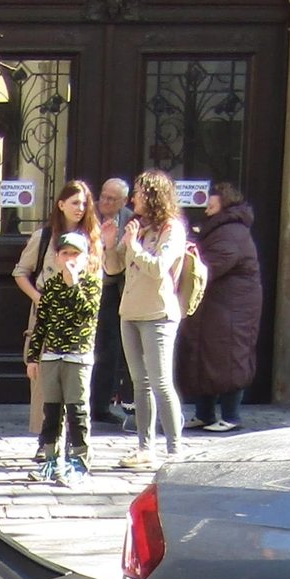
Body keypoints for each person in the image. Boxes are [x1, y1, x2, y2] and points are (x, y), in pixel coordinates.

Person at [111, 169, 190, 469]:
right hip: (129, 311)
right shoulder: (139, 228)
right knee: (139, 383)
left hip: (158, 314)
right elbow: (114, 267)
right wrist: (110, 244)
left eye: (139, 193)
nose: (133, 199)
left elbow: (158, 268)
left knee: (160, 381)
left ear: (153, 196)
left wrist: (133, 246)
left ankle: (175, 450)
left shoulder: (173, 229)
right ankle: (145, 447)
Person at [12, 178, 93, 438]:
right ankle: (44, 439)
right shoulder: (44, 236)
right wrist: (38, 298)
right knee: (43, 379)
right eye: (74, 202)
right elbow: (20, 272)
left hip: (78, 318)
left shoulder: (92, 238)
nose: (80, 208)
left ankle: (74, 440)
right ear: (61, 204)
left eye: (83, 203)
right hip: (46, 315)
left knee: (74, 382)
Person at [24, 218, 102, 487]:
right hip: (52, 356)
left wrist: (74, 284)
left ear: (85, 258)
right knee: (52, 411)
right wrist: (34, 357)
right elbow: (41, 322)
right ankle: (50, 459)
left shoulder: (91, 284)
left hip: (77, 357)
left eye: (75, 253)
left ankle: (79, 461)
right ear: (57, 257)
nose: (70, 258)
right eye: (65, 253)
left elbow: (87, 313)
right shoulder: (51, 286)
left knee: (77, 410)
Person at [182, 180, 261, 432]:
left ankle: (231, 415)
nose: (206, 204)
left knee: (230, 357)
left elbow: (215, 262)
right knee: (206, 356)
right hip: (216, 306)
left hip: (232, 308)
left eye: (211, 198)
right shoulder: (218, 227)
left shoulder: (231, 230)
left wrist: (191, 259)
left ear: (223, 200)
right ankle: (204, 413)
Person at [91, 177, 131, 425]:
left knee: (110, 351)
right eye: (103, 196)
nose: (104, 202)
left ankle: (101, 405)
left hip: (116, 293)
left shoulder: (130, 219)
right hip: (89, 287)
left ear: (123, 201)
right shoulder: (87, 213)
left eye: (111, 199)